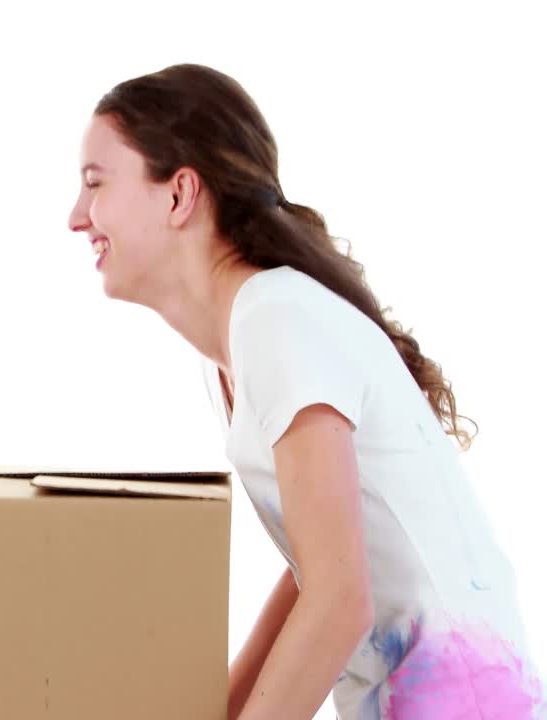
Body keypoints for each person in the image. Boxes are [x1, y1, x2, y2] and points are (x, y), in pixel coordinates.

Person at [67, 63, 542, 719]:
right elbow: (314, 574)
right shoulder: (232, 347)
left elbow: (340, 600)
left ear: (178, 194)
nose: (75, 217)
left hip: (464, 698)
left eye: (95, 184)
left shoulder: (275, 318)